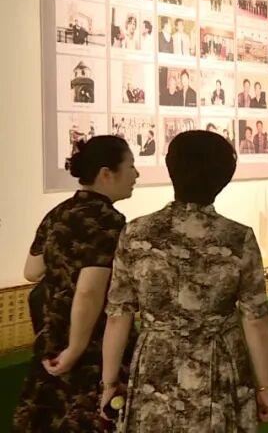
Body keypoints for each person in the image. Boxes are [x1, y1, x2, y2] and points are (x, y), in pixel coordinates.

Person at [99, 131, 268, 431]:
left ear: (172, 170)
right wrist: (264, 386)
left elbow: (118, 315)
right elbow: (255, 319)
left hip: (156, 363)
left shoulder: (136, 233)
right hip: (218, 364)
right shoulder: (237, 238)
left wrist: (109, 383)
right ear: (223, 177)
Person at [13, 137, 139, 432]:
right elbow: (89, 290)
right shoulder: (107, 220)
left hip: (53, 334)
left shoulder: (59, 212)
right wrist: (75, 348)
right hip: (88, 346)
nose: (136, 174)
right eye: (130, 166)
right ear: (106, 173)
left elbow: (32, 271)